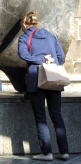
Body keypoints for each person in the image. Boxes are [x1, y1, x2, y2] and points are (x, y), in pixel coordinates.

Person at [18, 11, 69, 161]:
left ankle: (46, 153)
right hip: (53, 79)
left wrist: (40, 59)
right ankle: (64, 152)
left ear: (25, 25)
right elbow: (61, 56)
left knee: (41, 117)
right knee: (56, 115)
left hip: (35, 79)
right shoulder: (50, 35)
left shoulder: (25, 37)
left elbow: (23, 55)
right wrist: (51, 63)